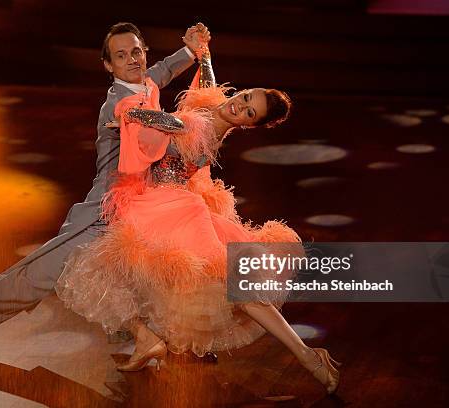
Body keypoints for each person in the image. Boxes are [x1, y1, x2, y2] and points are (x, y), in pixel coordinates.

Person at [55, 28, 341, 394]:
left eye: (248, 112)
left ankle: (306, 357)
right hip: (164, 200)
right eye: (245, 97)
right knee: (132, 274)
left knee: (225, 285)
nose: (239, 105)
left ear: (247, 126)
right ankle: (147, 341)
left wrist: (132, 113)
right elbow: (208, 83)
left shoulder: (204, 126)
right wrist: (201, 50)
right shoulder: (215, 106)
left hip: (164, 205)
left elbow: (172, 123)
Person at [0, 22, 205, 351]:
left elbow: (163, 71)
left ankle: (176, 340)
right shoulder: (118, 105)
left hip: (141, 210)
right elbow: (164, 125)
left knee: (165, 266)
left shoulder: (146, 83)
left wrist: (191, 50)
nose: (133, 60)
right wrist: (198, 126)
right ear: (108, 66)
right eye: (121, 55)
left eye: (137, 51)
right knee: (32, 279)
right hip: (103, 215)